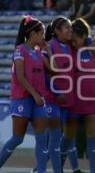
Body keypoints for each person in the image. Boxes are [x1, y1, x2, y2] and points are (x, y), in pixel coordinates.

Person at [61, 18, 95, 173]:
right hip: (74, 102)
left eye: (76, 39)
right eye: (72, 39)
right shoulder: (69, 48)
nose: (74, 42)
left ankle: (94, 171)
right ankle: (59, 168)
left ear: (84, 36)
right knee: (68, 138)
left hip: (93, 100)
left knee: (93, 138)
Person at [0, 16, 48, 173]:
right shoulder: (20, 50)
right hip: (23, 98)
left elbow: (53, 70)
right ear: (33, 34)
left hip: (38, 99)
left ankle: (40, 171)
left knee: (42, 138)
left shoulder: (39, 52)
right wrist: (34, 95)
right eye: (41, 34)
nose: (43, 37)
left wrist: (48, 51)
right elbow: (20, 77)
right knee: (17, 139)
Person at [45, 17, 84, 173]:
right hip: (54, 100)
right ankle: (38, 169)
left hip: (69, 100)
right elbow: (46, 75)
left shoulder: (70, 46)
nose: (70, 30)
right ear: (57, 31)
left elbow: (86, 38)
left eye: (70, 27)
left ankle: (74, 169)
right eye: (66, 27)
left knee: (69, 137)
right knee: (53, 140)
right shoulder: (50, 46)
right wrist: (56, 92)